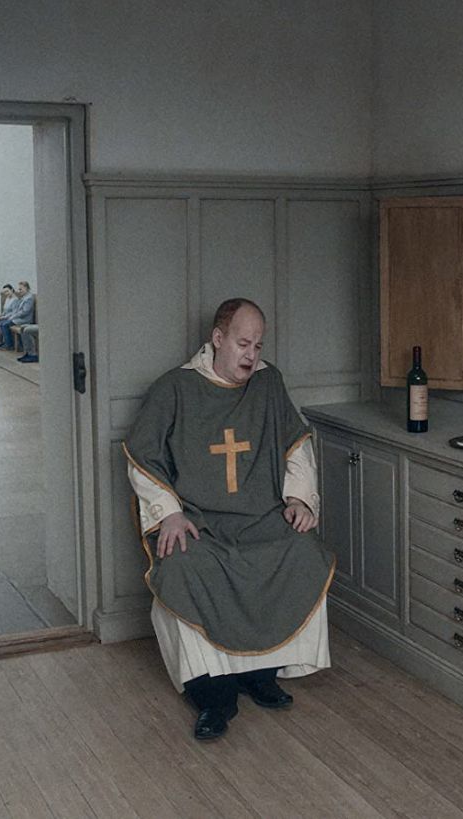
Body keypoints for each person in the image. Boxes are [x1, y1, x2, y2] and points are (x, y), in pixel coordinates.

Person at [124, 298, 331, 741]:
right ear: (218, 339)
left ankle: (261, 673)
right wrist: (170, 514)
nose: (251, 355)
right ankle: (212, 694)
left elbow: (296, 443)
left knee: (301, 549)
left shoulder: (268, 383)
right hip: (200, 521)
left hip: (260, 515)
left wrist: (299, 499)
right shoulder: (174, 388)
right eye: (242, 343)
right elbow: (142, 456)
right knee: (183, 565)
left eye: (258, 345)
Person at [0, 281, 35, 350]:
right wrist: (11, 316)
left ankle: (9, 345)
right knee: (1, 323)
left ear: (26, 288)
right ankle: (5, 343)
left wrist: (13, 316)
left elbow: (24, 312)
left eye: (20, 289)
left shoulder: (29, 298)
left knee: (4, 324)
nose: (19, 291)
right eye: (19, 289)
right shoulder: (24, 297)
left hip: (24, 319)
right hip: (19, 318)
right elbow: (17, 310)